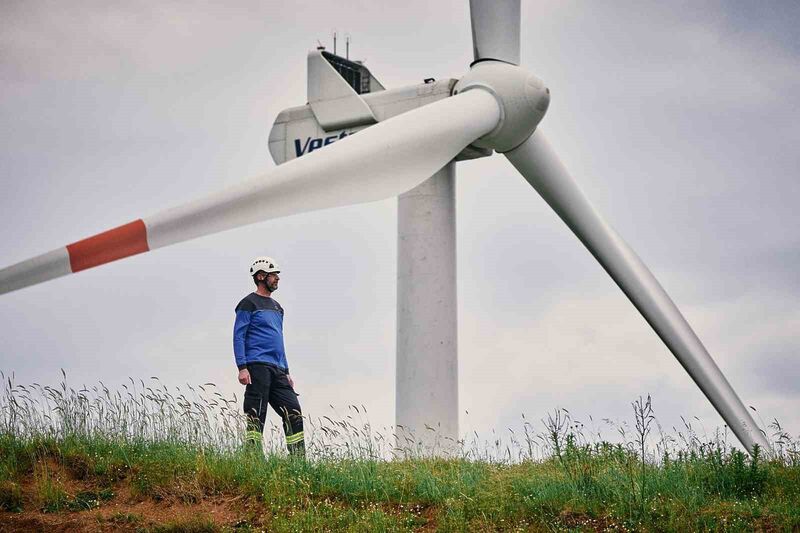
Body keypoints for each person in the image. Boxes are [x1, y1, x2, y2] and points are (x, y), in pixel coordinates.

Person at [233, 256, 304, 456]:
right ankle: (253, 458)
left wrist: (287, 370)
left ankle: (298, 460)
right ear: (261, 276)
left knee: (293, 411)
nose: (277, 279)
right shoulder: (248, 303)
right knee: (257, 413)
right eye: (274, 275)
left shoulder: (278, 308)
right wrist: (242, 367)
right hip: (257, 366)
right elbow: (239, 336)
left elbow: (279, 340)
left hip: (278, 369)